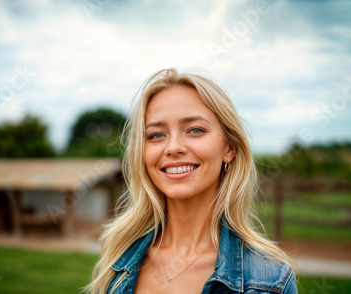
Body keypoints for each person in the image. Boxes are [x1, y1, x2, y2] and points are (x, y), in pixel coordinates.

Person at [85, 68, 298, 294]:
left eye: (195, 130)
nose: (174, 147)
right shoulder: (117, 264)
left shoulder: (271, 282)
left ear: (229, 148)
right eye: (157, 135)